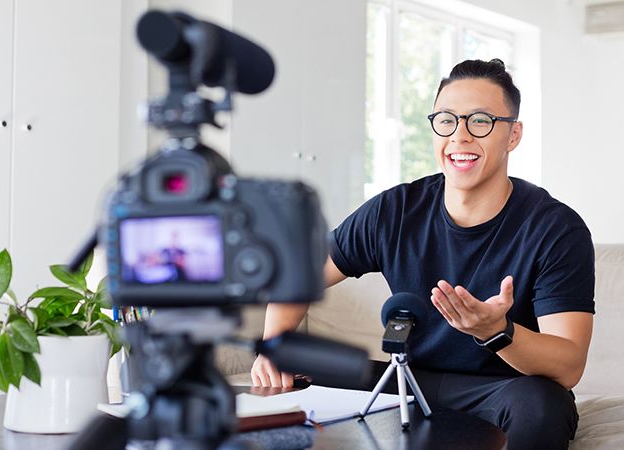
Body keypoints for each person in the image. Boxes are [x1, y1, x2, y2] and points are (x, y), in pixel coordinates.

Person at [251, 58, 595, 450]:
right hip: (405, 382)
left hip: (501, 391)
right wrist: (274, 344)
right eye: (447, 120)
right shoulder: (395, 210)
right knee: (299, 371)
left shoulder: (556, 228)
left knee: (542, 404)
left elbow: (568, 365)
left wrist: (496, 332)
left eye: (480, 121)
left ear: (513, 135)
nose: (460, 136)